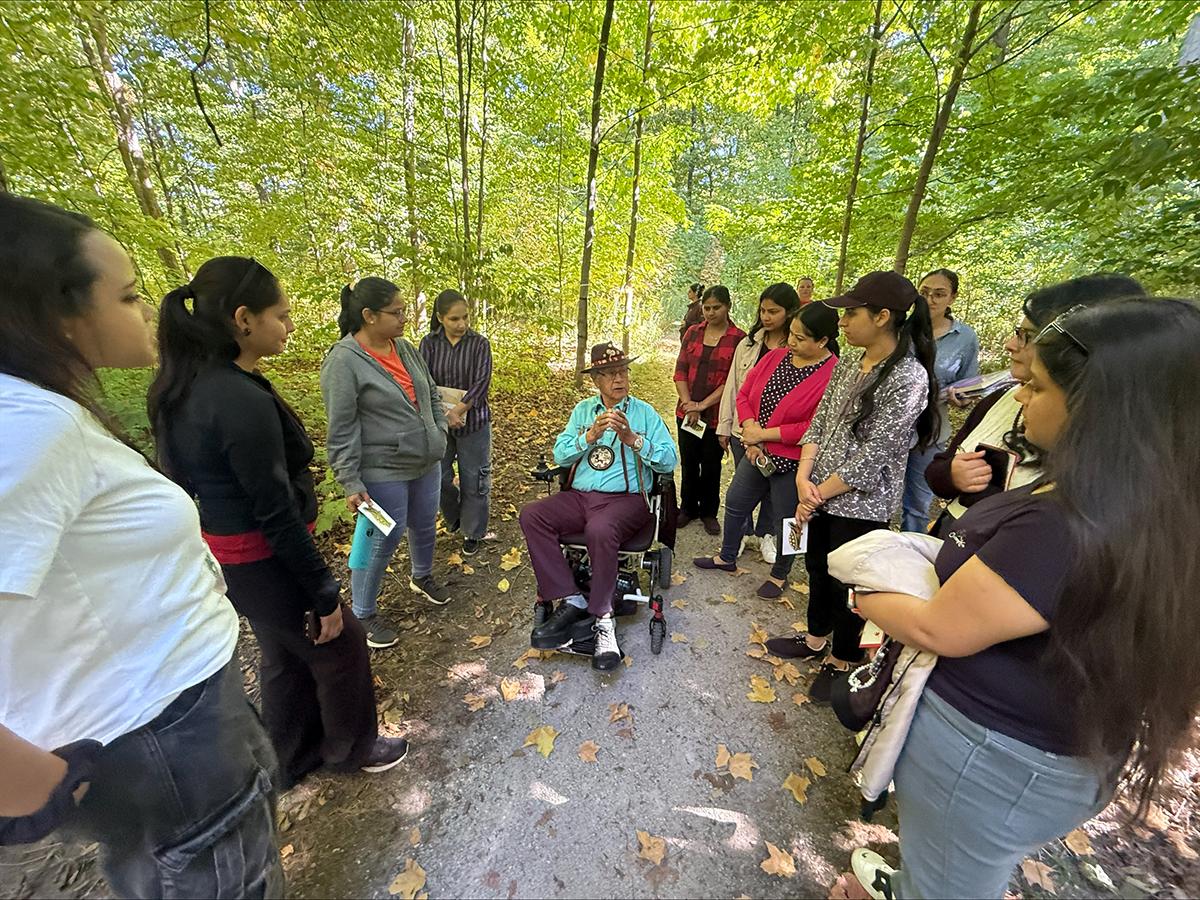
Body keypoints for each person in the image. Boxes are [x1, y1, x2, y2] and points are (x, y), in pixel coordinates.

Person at [849, 297, 1200, 900]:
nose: (1019, 397)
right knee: (946, 865)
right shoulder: (1153, 506)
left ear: (1102, 408)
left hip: (989, 760)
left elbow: (939, 628)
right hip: (1056, 746)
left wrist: (863, 590)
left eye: (1036, 387)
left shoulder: (1066, 524)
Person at [0, 194, 281, 897]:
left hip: (165, 722)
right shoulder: (32, 432)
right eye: (126, 295)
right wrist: (32, 786)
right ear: (55, 312)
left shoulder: (45, 418)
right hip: (159, 738)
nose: (145, 309)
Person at [149, 257, 406, 787]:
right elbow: (274, 511)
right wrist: (323, 591)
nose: (289, 326)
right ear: (244, 319)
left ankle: (290, 755)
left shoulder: (194, 383)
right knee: (339, 644)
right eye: (282, 316)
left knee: (283, 655)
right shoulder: (235, 398)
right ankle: (351, 747)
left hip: (238, 557)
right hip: (264, 555)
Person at [763, 271, 938, 701]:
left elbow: (874, 455)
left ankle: (842, 660)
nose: (842, 323)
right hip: (819, 491)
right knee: (819, 571)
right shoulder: (847, 364)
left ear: (882, 317)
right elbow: (820, 422)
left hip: (860, 506)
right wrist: (804, 477)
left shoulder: (907, 377)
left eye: (852, 314)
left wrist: (817, 492)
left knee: (850, 588)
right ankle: (815, 640)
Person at [924, 274, 1144, 537]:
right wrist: (951, 474)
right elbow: (938, 470)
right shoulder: (1001, 399)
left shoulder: (1105, 458)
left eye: (1026, 336)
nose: (1010, 344)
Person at [520, 343, 677, 670]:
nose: (619, 379)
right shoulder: (582, 412)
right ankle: (573, 597)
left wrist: (634, 439)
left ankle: (603, 620)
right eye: (609, 374)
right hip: (581, 497)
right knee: (532, 514)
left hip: (628, 500)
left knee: (600, 528)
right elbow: (561, 455)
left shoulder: (644, 413)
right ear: (596, 381)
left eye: (623, 371)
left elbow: (669, 460)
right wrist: (588, 436)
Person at [321, 277, 452, 647]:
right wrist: (350, 480)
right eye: (396, 312)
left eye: (404, 311)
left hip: (425, 461)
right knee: (380, 536)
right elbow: (341, 426)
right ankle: (361, 613)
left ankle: (421, 576)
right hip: (381, 471)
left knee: (425, 523)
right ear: (368, 316)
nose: (404, 318)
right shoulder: (344, 361)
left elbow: (429, 392)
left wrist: (439, 430)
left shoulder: (406, 349)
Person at [695, 303, 840, 596]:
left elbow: (815, 426)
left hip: (796, 461)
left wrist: (763, 435)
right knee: (736, 502)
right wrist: (751, 431)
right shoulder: (776, 357)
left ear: (822, 341)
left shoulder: (833, 374)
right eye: (792, 335)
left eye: (801, 338)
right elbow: (745, 393)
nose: (792, 343)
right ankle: (727, 556)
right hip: (757, 452)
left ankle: (780, 574)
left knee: (789, 520)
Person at [716, 282, 801, 563]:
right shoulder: (748, 343)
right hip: (745, 430)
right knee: (742, 489)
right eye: (763, 310)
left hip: (782, 438)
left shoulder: (800, 348)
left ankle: (768, 535)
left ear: (789, 313)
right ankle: (741, 535)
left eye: (773, 311)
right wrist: (725, 426)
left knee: (775, 491)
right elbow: (734, 388)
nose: (766, 316)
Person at [900, 268, 980, 532]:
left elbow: (970, 384)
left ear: (952, 298)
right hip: (893, 426)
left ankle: (908, 559)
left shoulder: (965, 337)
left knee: (917, 504)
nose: (931, 300)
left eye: (939, 294)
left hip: (932, 430)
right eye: (924, 293)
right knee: (877, 495)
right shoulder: (901, 329)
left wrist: (962, 397)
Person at [419, 289, 494, 556]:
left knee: (475, 478)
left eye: (465, 317)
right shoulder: (428, 344)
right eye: (454, 319)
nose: (461, 324)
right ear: (440, 318)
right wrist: (444, 413)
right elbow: (422, 381)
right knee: (438, 477)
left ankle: (473, 531)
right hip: (439, 422)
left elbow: (481, 382)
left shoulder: (479, 344)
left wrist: (459, 411)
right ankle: (454, 518)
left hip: (474, 422)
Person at [674, 285, 746, 535]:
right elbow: (680, 370)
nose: (711, 312)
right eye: (707, 308)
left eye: (717, 307)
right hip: (687, 413)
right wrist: (688, 404)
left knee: (712, 464)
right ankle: (687, 508)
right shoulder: (692, 333)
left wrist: (702, 406)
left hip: (716, 416)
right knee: (689, 461)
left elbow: (732, 381)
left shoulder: (739, 339)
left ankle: (708, 512)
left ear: (728, 307)